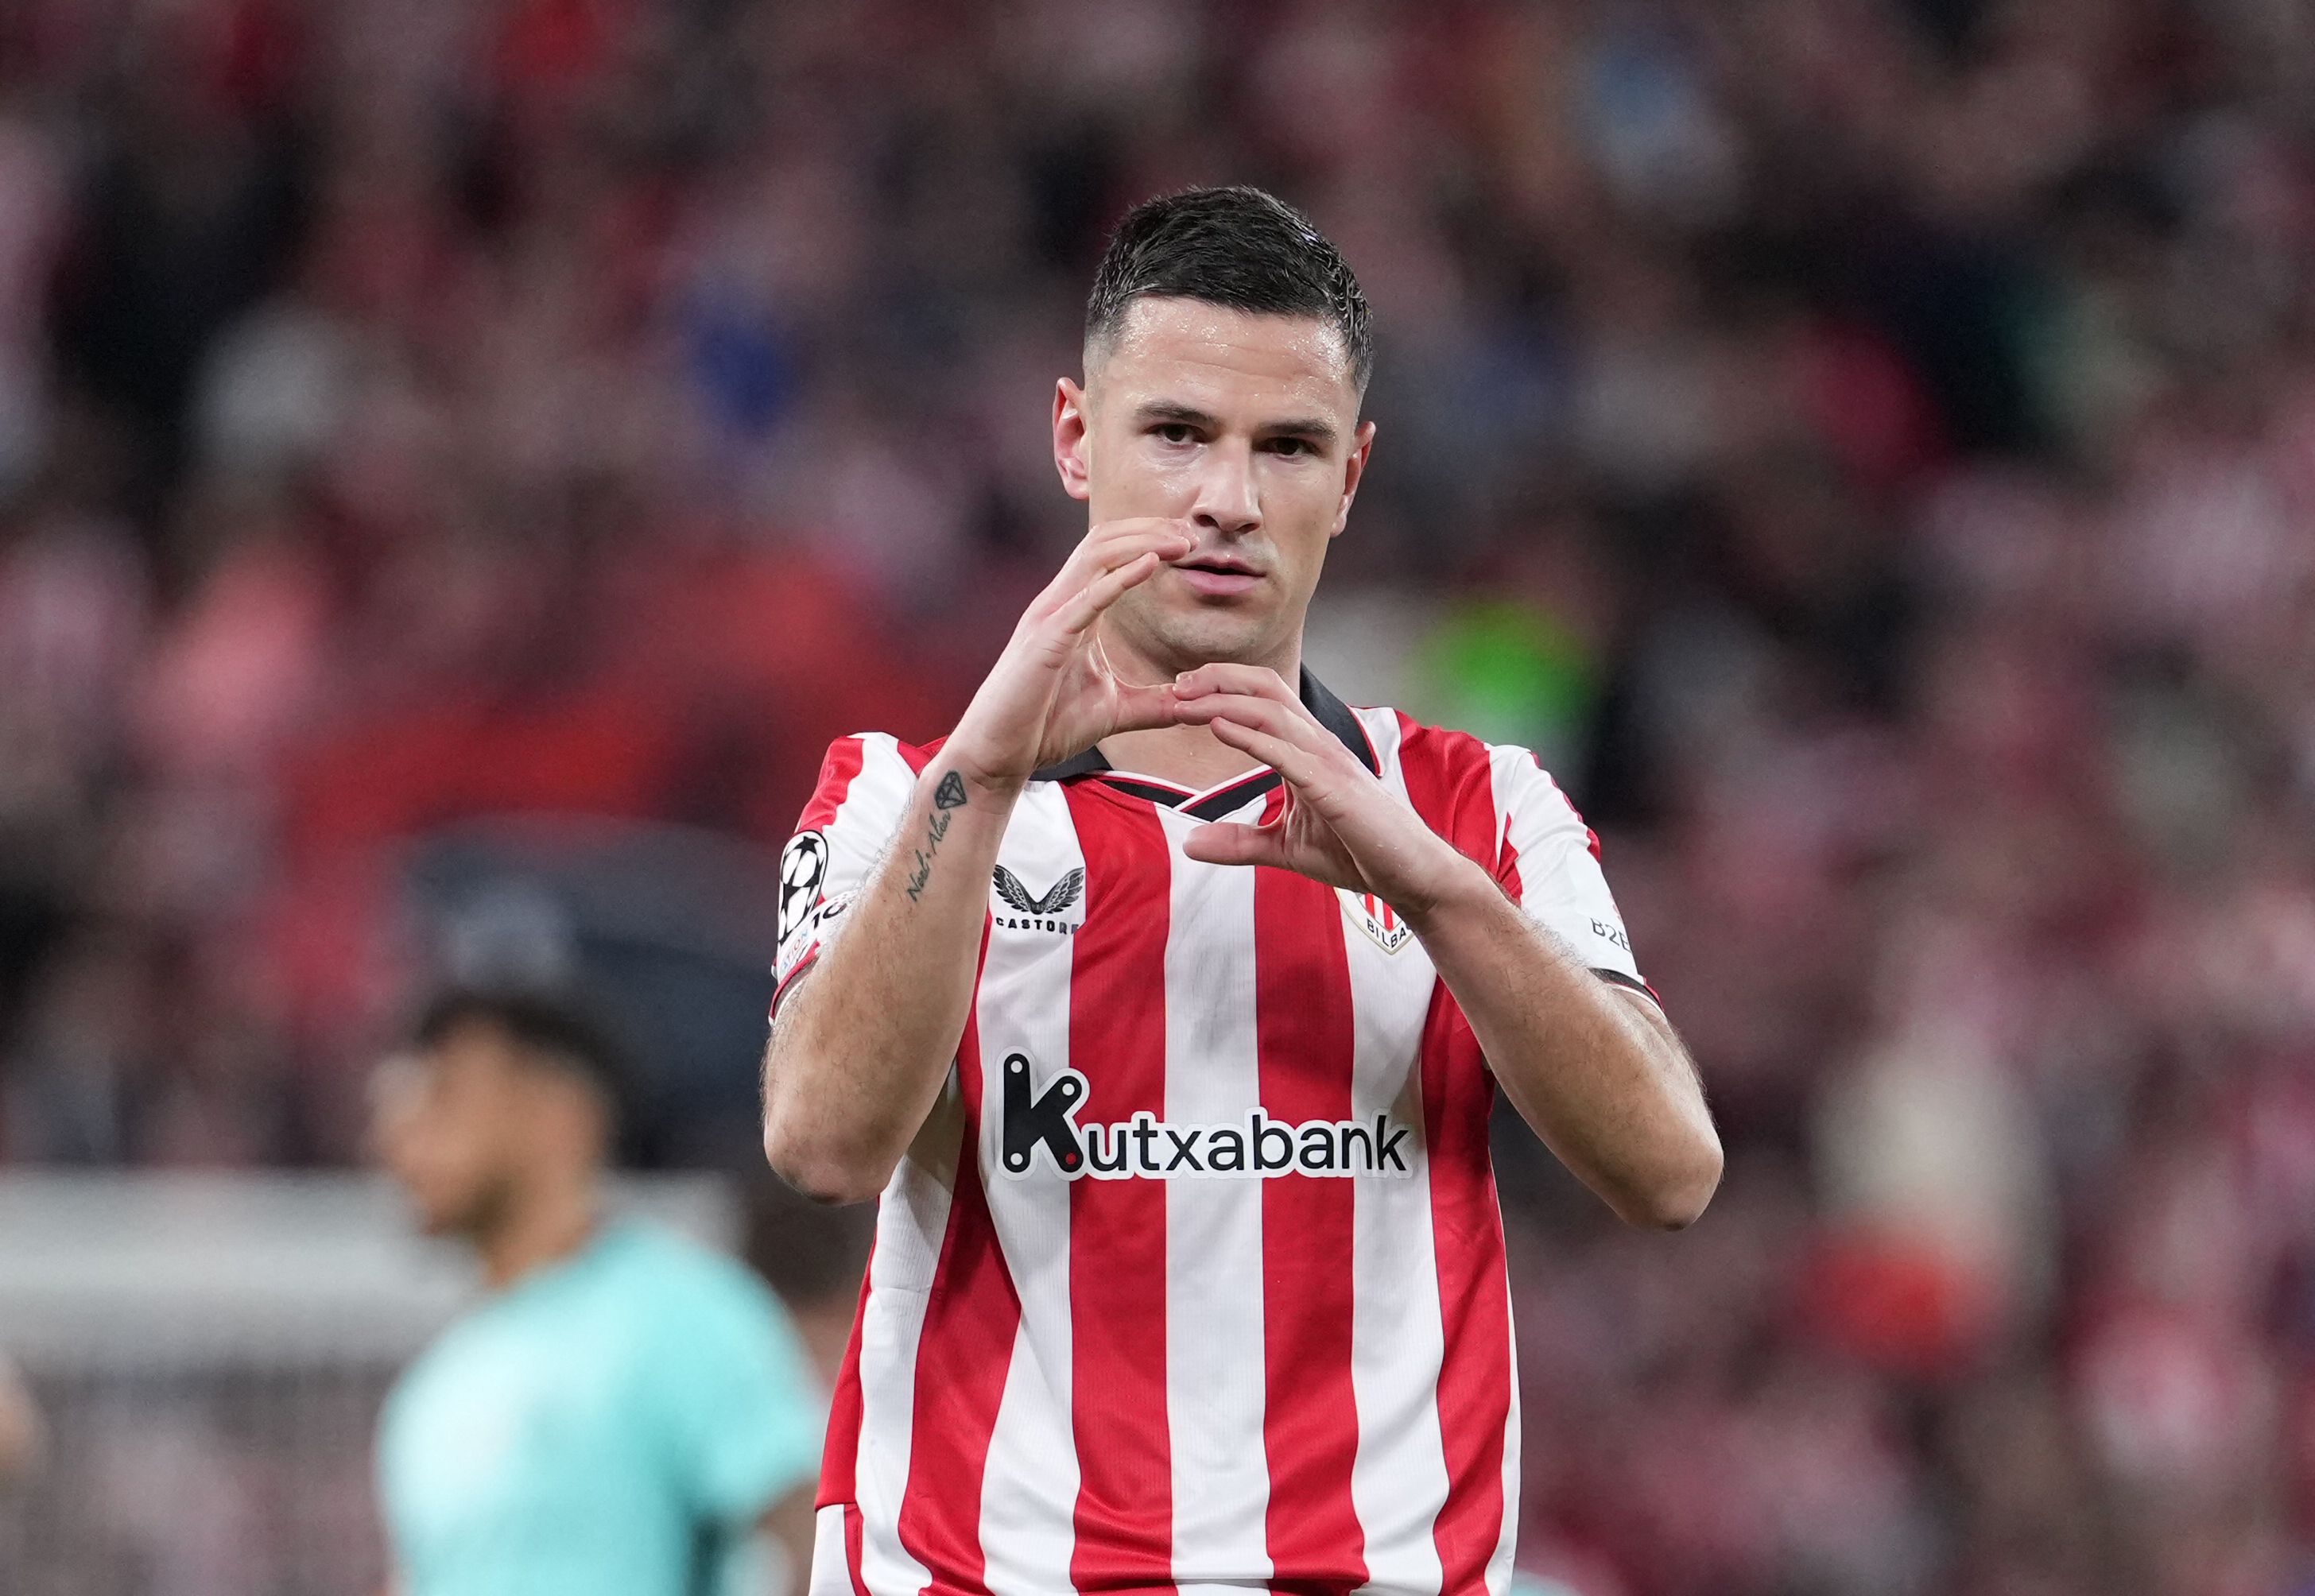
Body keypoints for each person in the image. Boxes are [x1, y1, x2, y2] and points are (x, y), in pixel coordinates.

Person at [759, 187, 1722, 1596]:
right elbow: (826, 1146)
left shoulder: (1476, 809)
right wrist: (976, 781)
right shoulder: (899, 796)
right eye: (1176, 433)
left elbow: (1670, 1169)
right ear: (1075, 438)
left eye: (1286, 446)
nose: (1226, 498)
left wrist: (1427, 887)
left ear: (1352, 474)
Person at [373, 986, 822, 1596]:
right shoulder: (428, 1393)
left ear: (562, 1115)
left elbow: (808, 1539)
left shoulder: (680, 1315)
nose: (402, 1132)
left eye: (447, 1094)